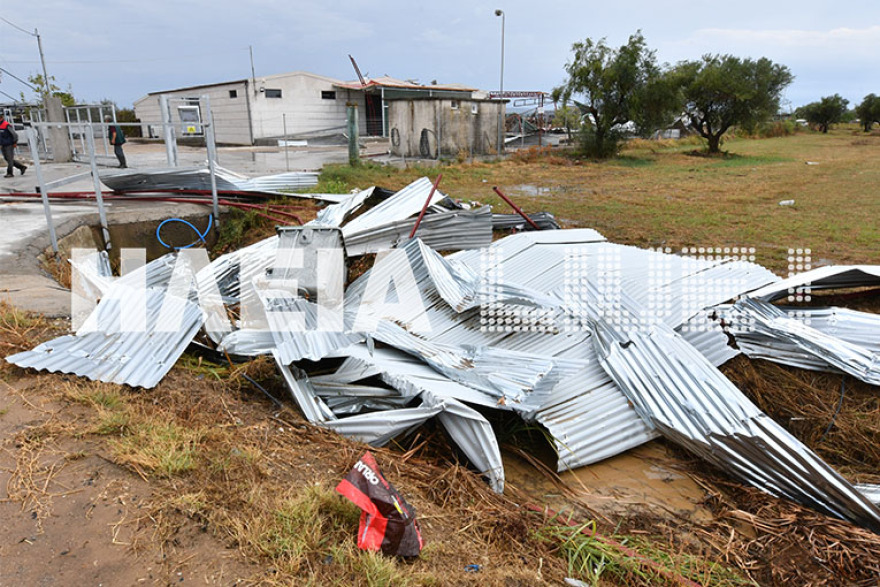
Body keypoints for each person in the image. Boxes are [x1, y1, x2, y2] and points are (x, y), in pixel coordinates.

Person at [0, 113, 27, 178]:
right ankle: (22, 167)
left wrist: (14, 142)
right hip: (3, 145)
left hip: (9, 144)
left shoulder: (6, 125)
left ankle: (10, 173)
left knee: (9, 159)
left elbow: (14, 135)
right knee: (7, 159)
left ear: (1, 118)